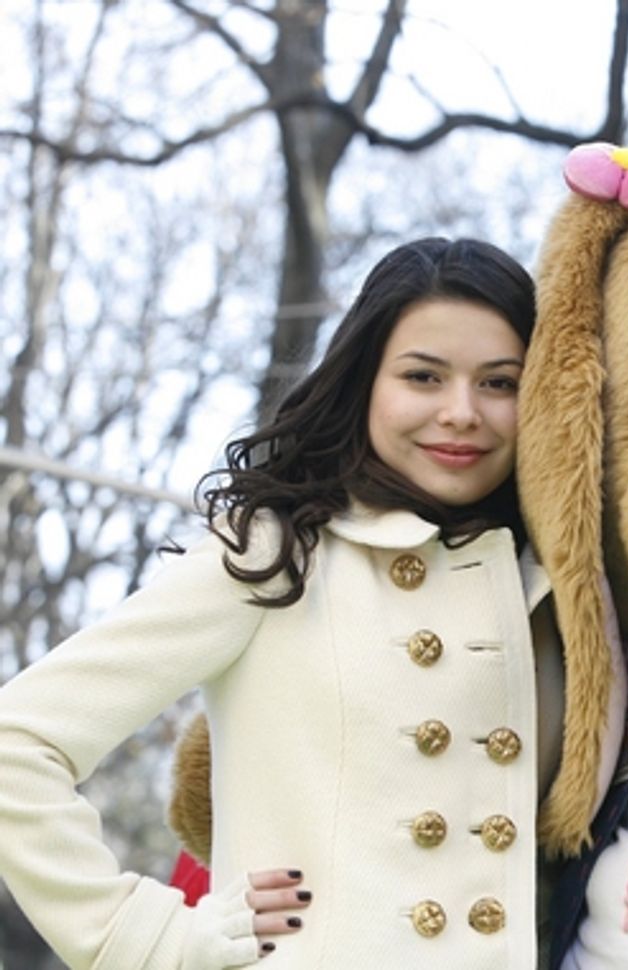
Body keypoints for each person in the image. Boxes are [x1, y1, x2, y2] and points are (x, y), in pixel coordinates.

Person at [0, 236, 563, 969]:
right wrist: (142, 936)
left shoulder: (552, 585)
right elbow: (17, 742)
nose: (462, 412)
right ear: (365, 382)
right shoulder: (275, 552)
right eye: (423, 376)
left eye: (500, 383)